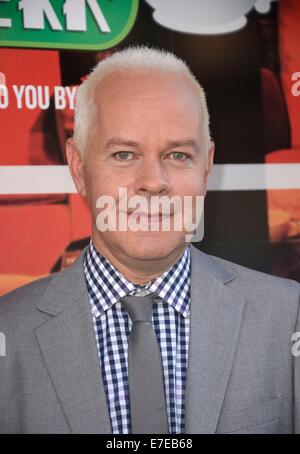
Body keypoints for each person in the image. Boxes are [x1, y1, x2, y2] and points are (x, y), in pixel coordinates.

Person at [0, 46, 299, 434]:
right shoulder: (8, 331)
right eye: (124, 154)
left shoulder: (288, 314)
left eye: (177, 155)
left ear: (206, 166)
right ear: (78, 167)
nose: (153, 182)